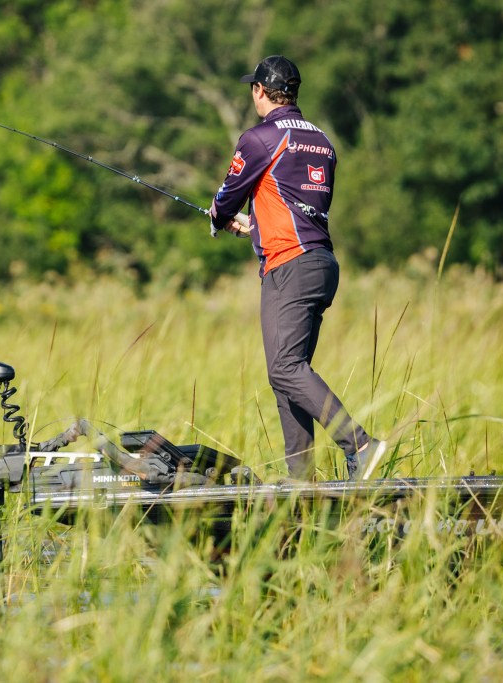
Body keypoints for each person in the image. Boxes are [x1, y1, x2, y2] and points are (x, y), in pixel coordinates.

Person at [210, 55, 387, 481]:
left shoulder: (259, 138)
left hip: (289, 267)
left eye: (252, 89)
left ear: (260, 91)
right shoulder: (323, 141)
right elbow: (296, 205)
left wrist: (218, 218)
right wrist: (255, 226)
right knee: (288, 373)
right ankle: (301, 481)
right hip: (320, 264)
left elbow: (228, 195)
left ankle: (360, 445)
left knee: (285, 369)